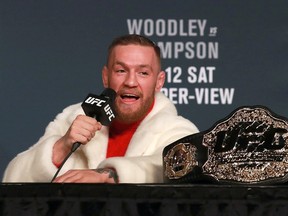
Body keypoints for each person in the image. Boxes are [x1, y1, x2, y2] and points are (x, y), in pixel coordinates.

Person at [2, 34, 198, 183]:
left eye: (143, 73)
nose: (130, 81)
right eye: (121, 70)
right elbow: (13, 177)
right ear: (106, 76)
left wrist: (108, 174)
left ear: (159, 81)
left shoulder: (180, 132)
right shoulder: (72, 119)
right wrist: (61, 147)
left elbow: (171, 171)